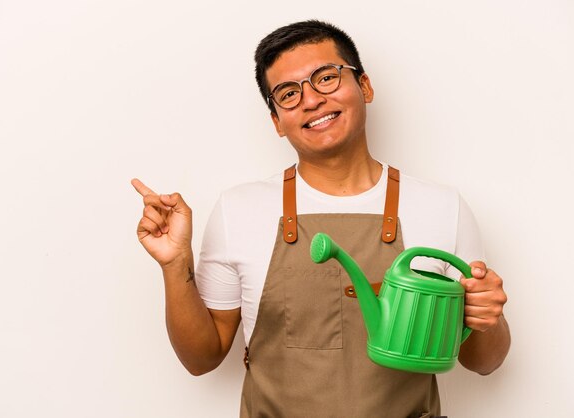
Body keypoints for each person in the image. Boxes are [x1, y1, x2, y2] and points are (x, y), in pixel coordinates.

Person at [131, 20, 510, 418]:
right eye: (289, 94)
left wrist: (488, 318)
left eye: (326, 78)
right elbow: (201, 359)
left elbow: (484, 362)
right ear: (276, 121)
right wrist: (175, 265)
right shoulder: (237, 210)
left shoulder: (442, 207)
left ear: (364, 86)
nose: (310, 100)